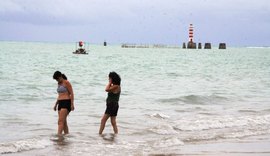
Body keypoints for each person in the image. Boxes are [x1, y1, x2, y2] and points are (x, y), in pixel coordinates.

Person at [53, 71, 74, 135]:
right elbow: (59, 95)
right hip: (60, 103)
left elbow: (72, 93)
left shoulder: (66, 82)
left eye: (57, 79)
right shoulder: (59, 84)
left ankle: (58, 136)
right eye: (56, 80)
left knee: (60, 121)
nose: (57, 81)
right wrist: (56, 104)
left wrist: (72, 104)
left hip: (66, 102)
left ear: (60, 77)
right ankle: (66, 136)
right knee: (64, 122)